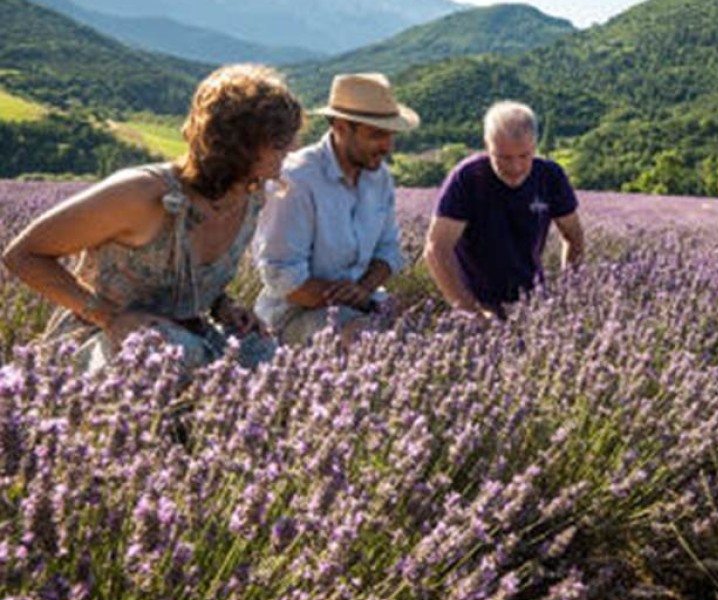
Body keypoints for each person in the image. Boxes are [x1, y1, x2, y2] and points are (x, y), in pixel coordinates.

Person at [2, 64, 303, 372]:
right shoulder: (141, 193)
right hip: (106, 338)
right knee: (170, 354)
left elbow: (185, 279)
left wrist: (223, 306)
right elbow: (23, 254)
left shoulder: (252, 196)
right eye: (279, 140)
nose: (292, 147)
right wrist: (108, 317)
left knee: (268, 357)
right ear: (239, 144)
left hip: (190, 336)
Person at [254, 73, 417, 346]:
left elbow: (388, 251)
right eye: (377, 134)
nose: (387, 146)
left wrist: (362, 290)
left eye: (391, 134)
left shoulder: (379, 178)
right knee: (366, 340)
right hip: (294, 315)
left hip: (360, 302)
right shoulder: (297, 180)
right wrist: (349, 298)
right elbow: (284, 279)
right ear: (341, 127)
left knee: (419, 335)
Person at [424, 100, 584, 317]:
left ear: (535, 146)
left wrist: (570, 291)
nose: (515, 168)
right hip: (477, 299)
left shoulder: (550, 176)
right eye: (504, 158)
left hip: (532, 300)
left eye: (524, 156)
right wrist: (471, 311)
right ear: (487, 145)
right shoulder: (467, 178)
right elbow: (437, 248)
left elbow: (574, 235)